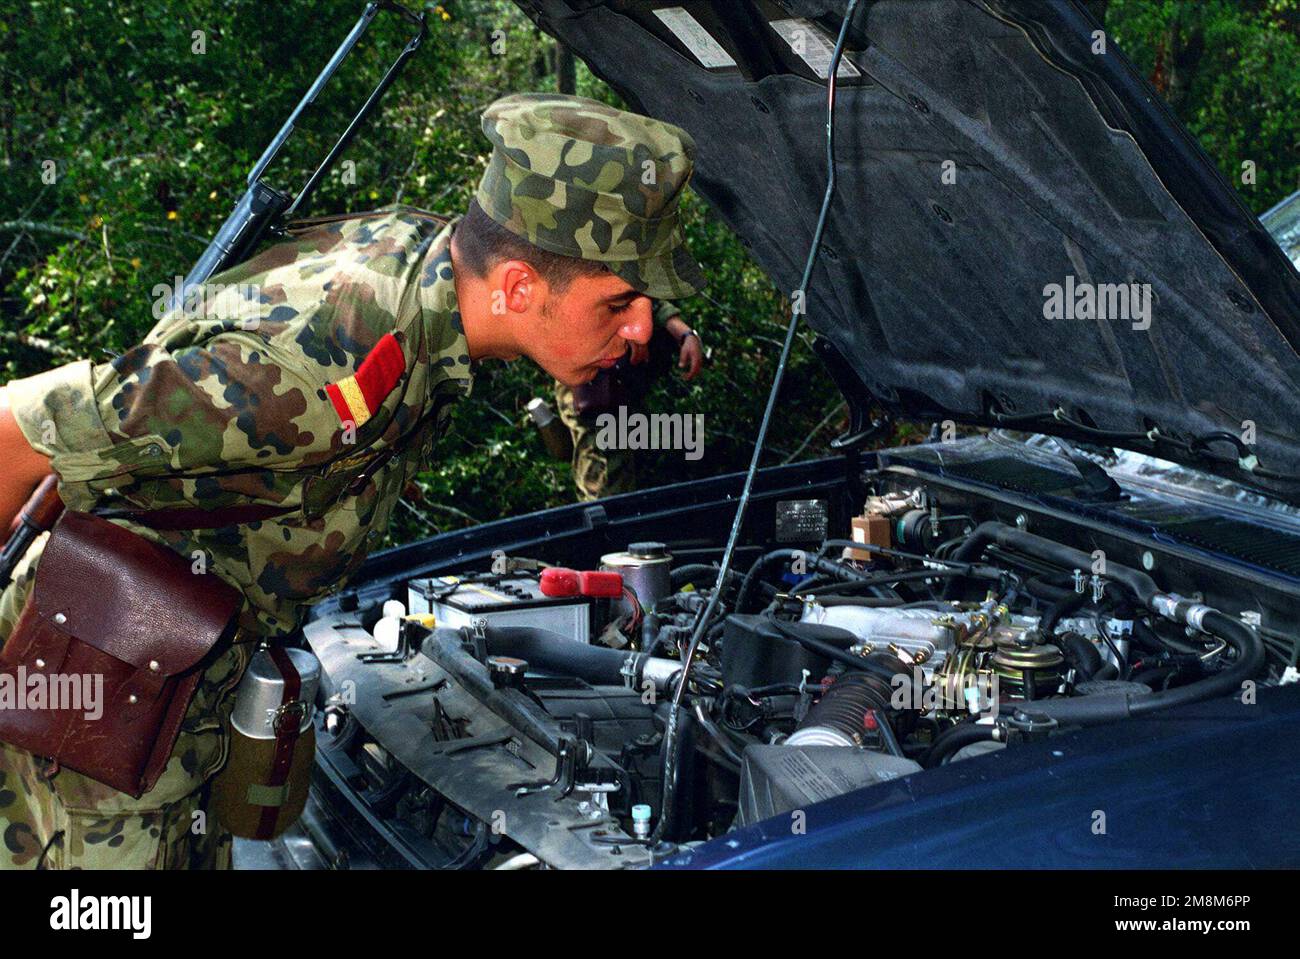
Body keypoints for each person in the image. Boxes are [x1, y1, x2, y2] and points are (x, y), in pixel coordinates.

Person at [0, 92, 704, 869]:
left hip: (185, 666)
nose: (638, 326)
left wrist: (647, 316)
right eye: (620, 302)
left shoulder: (440, 263)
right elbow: (16, 431)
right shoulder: (310, 372)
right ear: (517, 288)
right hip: (98, 701)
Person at [552, 300, 703, 500]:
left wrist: (683, 333)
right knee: (604, 484)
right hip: (592, 376)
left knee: (623, 475)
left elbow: (639, 290)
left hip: (621, 377)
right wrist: (621, 325)